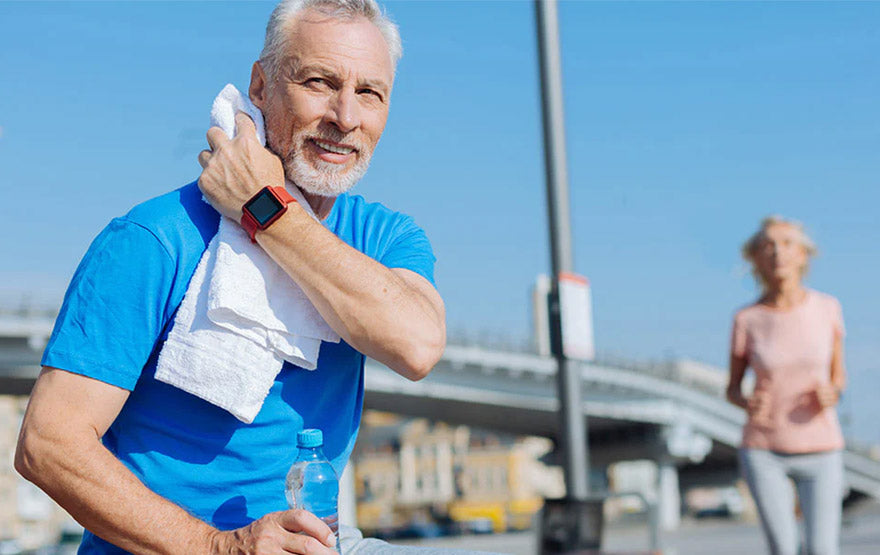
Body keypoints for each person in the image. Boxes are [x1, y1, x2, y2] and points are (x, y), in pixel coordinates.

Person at [13, 1, 459, 553]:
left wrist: (264, 209)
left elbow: (417, 346)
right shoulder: (154, 237)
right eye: (320, 82)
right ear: (261, 84)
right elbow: (48, 446)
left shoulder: (384, 237)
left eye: (369, 93)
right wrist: (220, 547)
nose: (345, 117)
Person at [726, 216, 847, 555]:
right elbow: (731, 389)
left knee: (823, 549)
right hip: (764, 448)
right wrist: (745, 401)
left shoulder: (828, 308)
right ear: (756, 258)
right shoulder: (746, 319)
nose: (778, 252)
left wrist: (832, 392)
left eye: (787, 244)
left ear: (803, 255)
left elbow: (839, 376)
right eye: (768, 245)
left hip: (822, 448)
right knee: (784, 548)